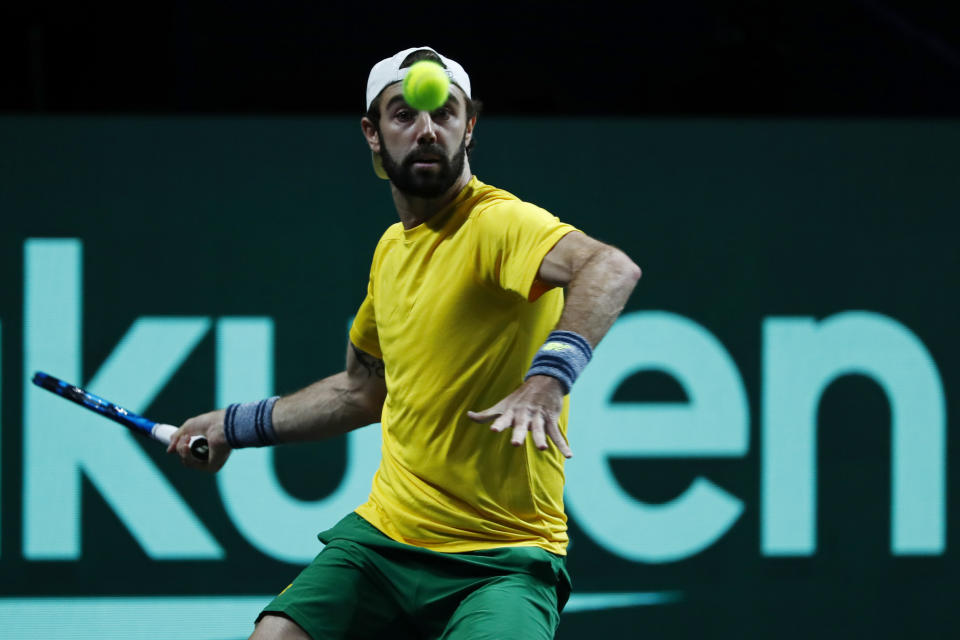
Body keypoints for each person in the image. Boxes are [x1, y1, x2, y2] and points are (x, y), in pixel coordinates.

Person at [168, 46, 641, 640]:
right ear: (372, 132)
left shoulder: (498, 223)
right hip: (386, 540)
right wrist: (232, 424)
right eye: (403, 115)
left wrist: (549, 377)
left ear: (469, 127)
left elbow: (611, 268)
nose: (426, 130)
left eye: (444, 115)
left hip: (503, 558)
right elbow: (361, 392)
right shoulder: (391, 251)